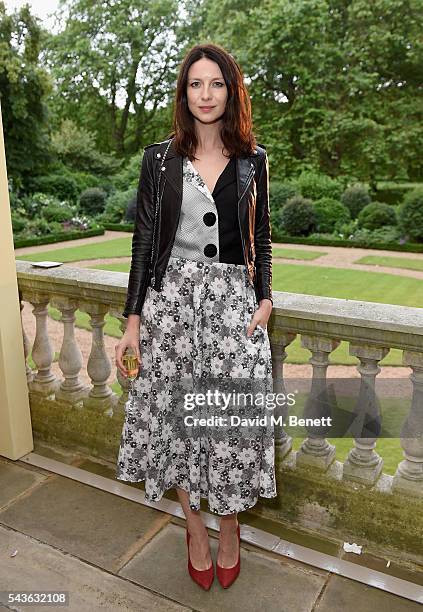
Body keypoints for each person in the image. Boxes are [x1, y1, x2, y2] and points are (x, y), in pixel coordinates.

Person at [115, 42, 276, 590]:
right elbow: (142, 243)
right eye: (195, 84)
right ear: (184, 94)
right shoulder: (159, 158)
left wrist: (266, 297)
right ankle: (194, 528)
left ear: (231, 92)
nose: (206, 94)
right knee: (180, 424)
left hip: (234, 308)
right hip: (172, 310)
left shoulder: (255, 160)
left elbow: (263, 239)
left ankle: (229, 526)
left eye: (216, 84)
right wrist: (133, 322)